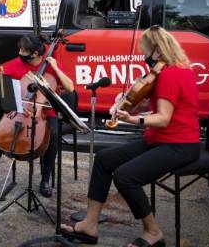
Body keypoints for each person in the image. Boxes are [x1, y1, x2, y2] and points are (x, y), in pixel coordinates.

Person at [60, 25, 200, 247]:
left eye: (145, 51)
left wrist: (132, 119)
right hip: (159, 139)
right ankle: (90, 224)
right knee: (104, 160)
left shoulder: (171, 75)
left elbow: (163, 118)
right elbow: (156, 111)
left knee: (126, 176)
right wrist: (133, 106)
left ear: (157, 51)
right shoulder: (173, 71)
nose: (144, 56)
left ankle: (153, 232)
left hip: (179, 144)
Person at [0, 34, 77, 198]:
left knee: (53, 134)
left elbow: (70, 88)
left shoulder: (49, 64)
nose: (20, 52)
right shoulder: (17, 63)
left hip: (46, 111)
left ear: (34, 54)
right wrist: (13, 102)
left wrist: (55, 68)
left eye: (23, 50)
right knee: (1, 134)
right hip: (19, 110)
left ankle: (45, 180)